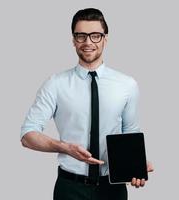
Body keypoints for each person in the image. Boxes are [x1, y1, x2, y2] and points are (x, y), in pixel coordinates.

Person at [20, 8, 154, 200]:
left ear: (105, 39)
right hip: (70, 188)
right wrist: (66, 148)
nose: (88, 42)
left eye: (95, 36)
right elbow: (27, 135)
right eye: (81, 36)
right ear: (73, 40)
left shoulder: (127, 85)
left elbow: (130, 134)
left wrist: (137, 166)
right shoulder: (55, 84)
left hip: (112, 189)